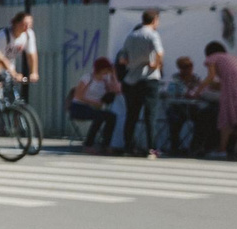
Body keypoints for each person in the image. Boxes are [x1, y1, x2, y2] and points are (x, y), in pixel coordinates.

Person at [119, 10, 166, 157]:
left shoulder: (131, 35)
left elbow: (122, 59)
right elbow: (160, 52)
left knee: (132, 115)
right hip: (149, 78)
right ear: (155, 20)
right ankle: (151, 148)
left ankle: (128, 146)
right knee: (150, 115)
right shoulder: (152, 34)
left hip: (132, 79)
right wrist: (156, 64)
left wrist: (134, 62)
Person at [207, 42, 237, 156]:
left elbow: (211, 76)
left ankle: (222, 149)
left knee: (226, 118)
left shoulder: (212, 58)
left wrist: (199, 90)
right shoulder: (233, 58)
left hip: (231, 91)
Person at [67, 58, 122, 152]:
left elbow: (117, 91)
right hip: (79, 107)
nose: (106, 72)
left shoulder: (105, 81)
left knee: (112, 117)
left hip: (94, 108)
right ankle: (88, 144)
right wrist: (94, 102)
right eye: (105, 70)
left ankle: (105, 144)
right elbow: (78, 95)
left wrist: (114, 75)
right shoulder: (87, 78)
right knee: (99, 116)